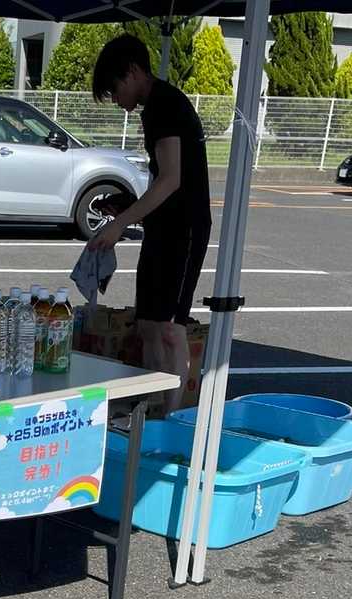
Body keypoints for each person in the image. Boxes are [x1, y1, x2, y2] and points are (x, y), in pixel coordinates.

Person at [89, 34, 212, 413]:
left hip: (185, 228)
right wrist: (128, 207)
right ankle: (153, 408)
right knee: (148, 325)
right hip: (164, 227)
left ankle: (169, 417)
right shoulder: (155, 107)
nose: (116, 100)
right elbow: (166, 180)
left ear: (131, 72)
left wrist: (120, 224)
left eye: (114, 90)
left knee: (171, 329)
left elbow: (172, 179)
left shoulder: (165, 104)